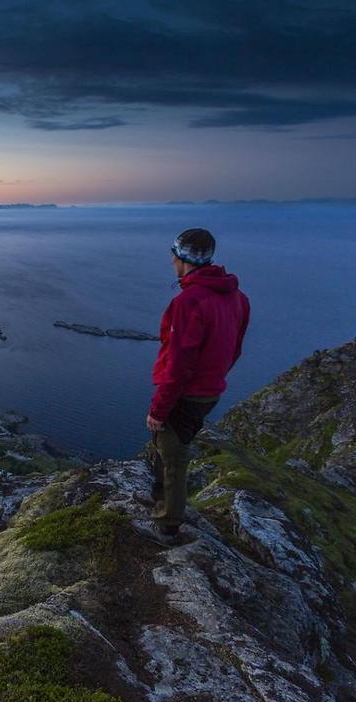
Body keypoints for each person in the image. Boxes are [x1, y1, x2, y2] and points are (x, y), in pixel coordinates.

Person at [142, 227, 250, 544]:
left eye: (174, 255)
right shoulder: (237, 298)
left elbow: (177, 363)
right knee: (167, 450)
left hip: (185, 393)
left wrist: (158, 409)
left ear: (183, 259)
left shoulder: (189, 302)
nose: (171, 261)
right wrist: (212, 378)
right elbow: (235, 349)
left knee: (172, 455)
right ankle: (161, 506)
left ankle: (167, 526)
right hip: (209, 391)